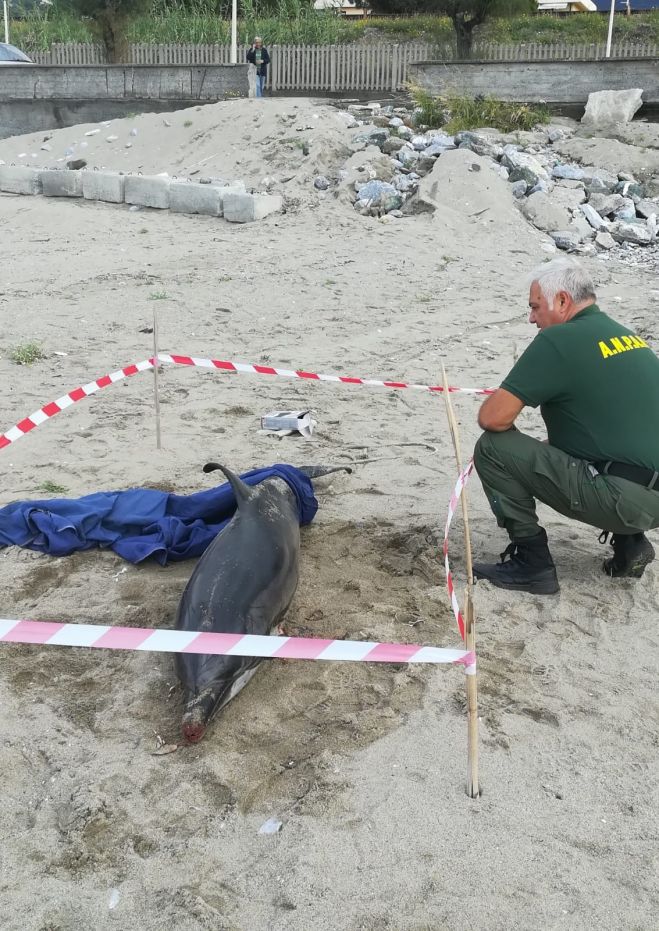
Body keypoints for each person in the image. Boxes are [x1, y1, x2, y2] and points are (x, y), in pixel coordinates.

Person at [472, 256, 659, 595]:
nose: (532, 318)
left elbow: (493, 418)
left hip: (623, 500)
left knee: (493, 448)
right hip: (651, 495)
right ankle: (631, 544)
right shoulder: (627, 336)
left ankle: (532, 563)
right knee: (578, 446)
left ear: (561, 301)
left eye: (535, 307)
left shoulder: (558, 341)